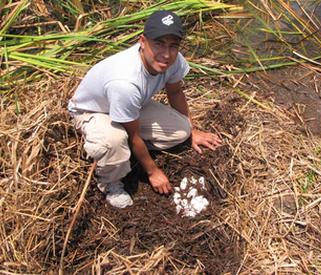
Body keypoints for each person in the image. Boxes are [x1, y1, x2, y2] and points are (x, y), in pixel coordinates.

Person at [68, 10, 222, 208]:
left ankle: (126, 153)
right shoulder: (125, 82)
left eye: (173, 45)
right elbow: (134, 135)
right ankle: (109, 181)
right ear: (142, 41)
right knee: (115, 141)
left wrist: (191, 131)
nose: (166, 54)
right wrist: (153, 171)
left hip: (129, 107)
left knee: (181, 130)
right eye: (158, 43)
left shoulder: (173, 60)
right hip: (94, 112)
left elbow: (175, 93)